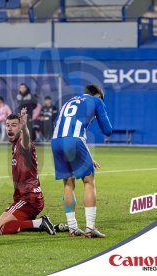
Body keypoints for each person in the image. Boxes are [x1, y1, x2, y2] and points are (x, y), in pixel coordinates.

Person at [51, 84, 112, 237]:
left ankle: (72, 228)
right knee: (88, 181)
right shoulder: (97, 101)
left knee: (68, 183)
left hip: (56, 141)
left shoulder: (68, 102)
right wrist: (98, 113)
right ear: (98, 96)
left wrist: (88, 156)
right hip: (75, 140)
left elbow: (67, 128)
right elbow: (107, 130)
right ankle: (90, 229)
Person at [0, 108, 55, 235]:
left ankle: (40, 223)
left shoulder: (23, 144)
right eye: (7, 125)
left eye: (14, 125)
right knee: (6, 225)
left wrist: (25, 127)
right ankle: (51, 226)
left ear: (20, 127)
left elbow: (26, 139)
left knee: (0, 228)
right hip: (26, 197)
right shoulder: (15, 144)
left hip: (29, 198)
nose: (10, 128)